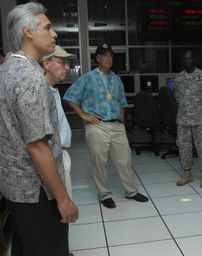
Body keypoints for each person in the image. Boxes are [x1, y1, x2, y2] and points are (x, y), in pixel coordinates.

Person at [0, 2, 78, 256]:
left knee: (24, 248)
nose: (54, 33)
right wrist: (63, 200)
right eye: (48, 27)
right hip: (38, 192)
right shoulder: (31, 79)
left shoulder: (6, 70)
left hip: (14, 189)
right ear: (28, 32)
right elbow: (37, 144)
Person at [63, 42, 148, 209]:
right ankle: (105, 195)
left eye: (111, 56)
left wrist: (122, 123)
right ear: (98, 58)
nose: (109, 59)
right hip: (97, 126)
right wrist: (83, 114)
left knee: (125, 160)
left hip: (117, 126)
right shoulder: (88, 78)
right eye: (105, 56)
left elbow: (122, 103)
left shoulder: (117, 79)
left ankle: (131, 191)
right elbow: (69, 96)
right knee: (99, 163)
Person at [174, 50, 202, 188]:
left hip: (201, 119)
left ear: (194, 60)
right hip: (183, 119)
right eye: (185, 59)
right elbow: (177, 96)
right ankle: (187, 174)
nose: (188, 61)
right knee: (184, 147)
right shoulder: (179, 78)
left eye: (190, 58)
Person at [42, 45, 76, 199]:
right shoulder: (41, 93)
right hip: (52, 158)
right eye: (62, 62)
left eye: (67, 63)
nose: (67, 67)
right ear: (46, 64)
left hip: (60, 154)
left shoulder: (52, 90)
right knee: (61, 206)